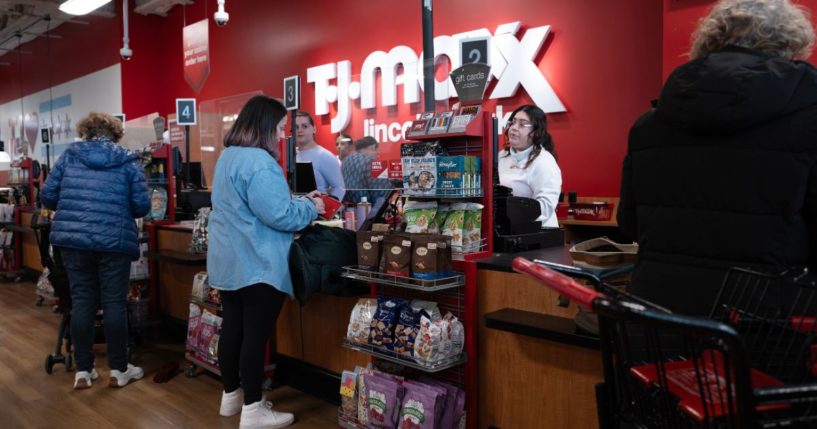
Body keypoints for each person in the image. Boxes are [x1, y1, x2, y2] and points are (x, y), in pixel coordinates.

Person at [618, 0, 817, 315]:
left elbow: (630, 223)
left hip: (661, 317)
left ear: (708, 41)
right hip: (769, 324)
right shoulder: (808, 118)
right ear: (790, 43)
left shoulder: (647, 127)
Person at [207, 95, 324, 429]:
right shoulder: (260, 161)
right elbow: (279, 214)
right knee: (255, 337)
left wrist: (296, 203)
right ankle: (254, 410)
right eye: (280, 128)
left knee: (233, 329)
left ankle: (232, 396)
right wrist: (310, 208)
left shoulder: (228, 156)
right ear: (265, 126)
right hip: (257, 263)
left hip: (229, 261)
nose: (282, 134)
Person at [41, 112, 150, 389]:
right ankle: (118, 369)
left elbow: (48, 196)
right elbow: (141, 206)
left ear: (86, 132)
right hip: (114, 241)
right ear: (115, 133)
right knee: (113, 303)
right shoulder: (127, 160)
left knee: (82, 303)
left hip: (74, 242)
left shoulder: (69, 156)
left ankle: (84, 371)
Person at [497, 104, 562, 228]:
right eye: (513, 122)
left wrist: (519, 223)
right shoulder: (501, 156)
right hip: (506, 229)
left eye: (522, 124)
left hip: (537, 231)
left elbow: (546, 205)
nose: (514, 128)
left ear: (536, 132)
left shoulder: (544, 161)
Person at [294, 111, 346, 200]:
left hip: (316, 211)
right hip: (295, 210)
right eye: (296, 127)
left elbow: (339, 188)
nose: (300, 130)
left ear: (314, 129)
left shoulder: (325, 156)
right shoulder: (291, 154)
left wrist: (326, 211)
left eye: (304, 126)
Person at [341, 136, 391, 205]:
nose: (378, 153)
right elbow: (382, 195)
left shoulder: (345, 161)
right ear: (373, 147)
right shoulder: (373, 162)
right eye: (377, 150)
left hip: (347, 210)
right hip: (367, 211)